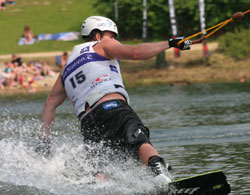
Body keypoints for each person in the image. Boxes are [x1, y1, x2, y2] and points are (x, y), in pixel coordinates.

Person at [36, 16, 191, 184]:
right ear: (97, 35)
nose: (115, 41)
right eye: (111, 36)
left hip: (88, 123)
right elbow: (136, 52)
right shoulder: (102, 45)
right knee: (139, 140)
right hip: (112, 108)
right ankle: (161, 175)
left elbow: (49, 105)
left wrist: (44, 141)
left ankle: (101, 193)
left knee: (102, 167)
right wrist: (170, 43)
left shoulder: (67, 69)